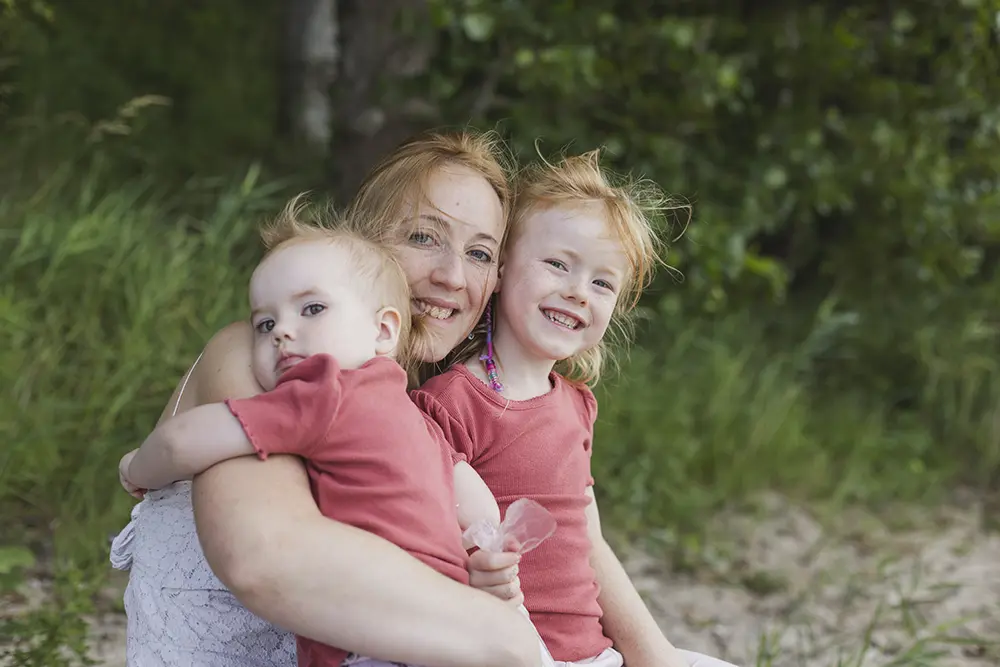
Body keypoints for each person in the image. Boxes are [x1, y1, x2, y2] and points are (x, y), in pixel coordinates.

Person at [110, 129, 545, 667]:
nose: (452, 275)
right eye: (423, 237)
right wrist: (503, 638)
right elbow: (264, 558)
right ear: (362, 241)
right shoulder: (254, 355)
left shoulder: (407, 413)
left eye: (479, 253)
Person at [412, 150, 741, 667]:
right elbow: (423, 546)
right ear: (501, 269)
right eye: (558, 264)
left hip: (593, 654)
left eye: (602, 283)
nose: (578, 292)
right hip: (507, 652)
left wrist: (652, 655)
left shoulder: (575, 405)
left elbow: (588, 541)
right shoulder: (452, 402)